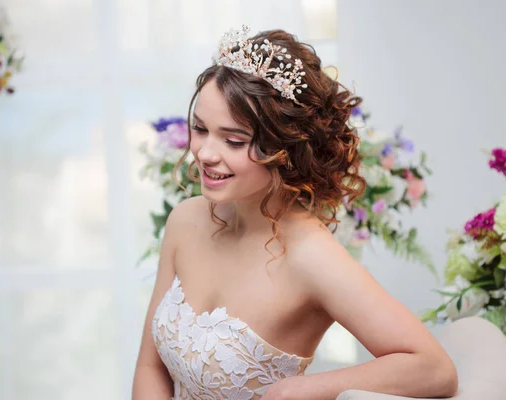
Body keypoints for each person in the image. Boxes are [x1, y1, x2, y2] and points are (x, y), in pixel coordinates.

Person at [132, 25, 458, 400]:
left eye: (234, 140)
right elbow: (150, 366)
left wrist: (304, 388)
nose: (205, 153)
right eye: (201, 129)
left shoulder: (310, 256)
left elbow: (434, 368)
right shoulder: (186, 221)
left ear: (285, 146)